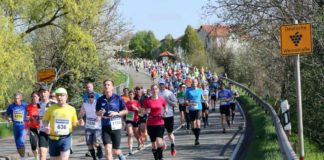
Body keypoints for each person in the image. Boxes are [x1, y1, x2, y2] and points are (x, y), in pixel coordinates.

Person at [42, 87, 79, 160]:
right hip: (53, 138)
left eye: (62, 95)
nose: (59, 97)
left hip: (66, 137)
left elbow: (75, 123)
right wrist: (46, 127)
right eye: (57, 95)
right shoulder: (51, 108)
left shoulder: (71, 109)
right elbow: (45, 120)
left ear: (66, 96)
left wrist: (79, 123)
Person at [96, 80, 128, 160]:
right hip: (105, 126)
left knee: (115, 151)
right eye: (105, 85)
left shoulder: (118, 98)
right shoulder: (100, 99)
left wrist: (116, 113)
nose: (106, 86)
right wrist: (100, 113)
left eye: (108, 85)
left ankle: (120, 154)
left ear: (112, 87)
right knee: (107, 150)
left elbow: (125, 111)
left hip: (116, 126)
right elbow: (97, 113)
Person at [143, 84, 168, 160]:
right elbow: (142, 110)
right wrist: (146, 111)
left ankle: (161, 157)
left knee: (159, 142)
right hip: (150, 123)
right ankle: (156, 158)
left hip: (160, 122)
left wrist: (165, 111)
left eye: (155, 89)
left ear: (157, 90)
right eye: (152, 89)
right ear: (151, 90)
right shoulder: (147, 100)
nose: (154, 90)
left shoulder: (161, 99)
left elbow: (165, 106)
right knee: (153, 143)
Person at [79, 93, 103, 160]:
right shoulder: (85, 104)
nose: (90, 98)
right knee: (89, 144)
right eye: (89, 97)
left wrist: (99, 116)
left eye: (92, 97)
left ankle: (100, 152)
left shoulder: (98, 103)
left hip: (97, 127)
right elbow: (81, 113)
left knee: (96, 144)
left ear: (94, 97)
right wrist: (81, 118)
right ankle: (94, 158)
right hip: (88, 126)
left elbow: (102, 111)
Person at [5, 93, 28, 160]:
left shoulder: (25, 105)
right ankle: (22, 156)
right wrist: (7, 118)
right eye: (15, 98)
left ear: (20, 98)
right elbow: (6, 114)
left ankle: (22, 158)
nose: (16, 100)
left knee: (21, 141)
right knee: (17, 142)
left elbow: (31, 110)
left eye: (18, 98)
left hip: (23, 125)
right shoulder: (11, 106)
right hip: (15, 125)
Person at [158, 79, 178, 157]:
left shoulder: (169, 93)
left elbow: (176, 104)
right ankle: (163, 144)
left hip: (169, 115)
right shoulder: (157, 93)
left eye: (162, 84)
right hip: (159, 116)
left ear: (165, 84)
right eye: (160, 84)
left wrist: (169, 101)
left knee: (170, 133)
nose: (161, 86)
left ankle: (172, 145)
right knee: (160, 134)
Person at [38, 86, 56, 160]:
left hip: (54, 132)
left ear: (49, 92)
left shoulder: (55, 103)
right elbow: (35, 116)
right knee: (42, 152)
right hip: (42, 131)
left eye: (45, 91)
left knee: (54, 155)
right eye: (41, 92)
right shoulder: (37, 104)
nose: (43, 94)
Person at [185, 79, 203, 145]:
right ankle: (196, 136)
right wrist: (187, 102)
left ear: (197, 83)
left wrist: (206, 101)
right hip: (191, 108)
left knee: (198, 123)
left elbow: (204, 98)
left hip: (199, 108)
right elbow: (186, 99)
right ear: (191, 83)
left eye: (195, 82)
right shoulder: (188, 90)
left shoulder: (200, 90)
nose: (194, 83)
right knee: (193, 125)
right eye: (193, 82)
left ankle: (197, 139)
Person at [26, 91, 41, 160]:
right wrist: (27, 117)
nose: (34, 98)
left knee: (41, 145)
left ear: (39, 97)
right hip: (32, 128)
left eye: (36, 96)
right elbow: (26, 116)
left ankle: (41, 157)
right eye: (33, 96)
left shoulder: (41, 105)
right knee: (33, 145)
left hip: (41, 128)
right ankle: (36, 157)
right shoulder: (28, 106)